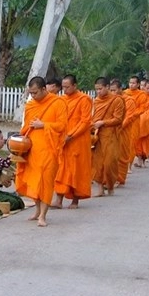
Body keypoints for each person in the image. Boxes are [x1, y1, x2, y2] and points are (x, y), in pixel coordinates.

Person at [15, 76, 67, 226]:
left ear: (44, 89)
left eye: (35, 92)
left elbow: (62, 125)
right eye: (31, 93)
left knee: (46, 181)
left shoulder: (58, 103)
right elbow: (26, 127)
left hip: (50, 149)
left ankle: (43, 215)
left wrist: (43, 124)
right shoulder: (30, 105)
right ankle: (37, 210)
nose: (33, 96)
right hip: (32, 149)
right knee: (34, 181)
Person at [53, 74, 93, 209]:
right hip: (63, 141)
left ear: (75, 86)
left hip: (78, 141)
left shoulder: (84, 99)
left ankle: (75, 200)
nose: (65, 90)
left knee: (76, 170)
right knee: (61, 170)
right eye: (63, 87)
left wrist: (71, 135)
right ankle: (58, 200)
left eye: (67, 87)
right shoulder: (62, 100)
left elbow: (85, 121)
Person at [92, 77, 125, 197]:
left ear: (107, 87)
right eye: (96, 89)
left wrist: (103, 122)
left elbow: (118, 119)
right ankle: (100, 188)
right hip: (98, 136)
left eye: (100, 89)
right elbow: (92, 117)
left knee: (110, 162)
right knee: (98, 163)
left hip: (111, 135)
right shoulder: (95, 101)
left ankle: (110, 186)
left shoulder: (117, 100)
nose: (98, 92)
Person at [109, 78, 136, 186]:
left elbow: (129, 117)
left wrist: (118, 125)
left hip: (123, 131)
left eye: (114, 90)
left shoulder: (129, 101)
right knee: (110, 155)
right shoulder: (109, 100)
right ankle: (110, 177)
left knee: (121, 155)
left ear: (121, 89)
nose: (112, 93)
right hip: (110, 131)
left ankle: (119, 178)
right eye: (110, 90)